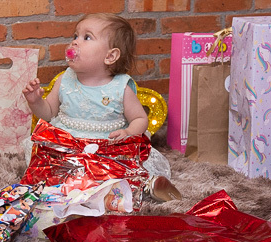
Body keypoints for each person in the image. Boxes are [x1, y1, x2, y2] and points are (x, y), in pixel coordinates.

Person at [23, 13, 180, 202]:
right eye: (75, 36)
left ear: (110, 56)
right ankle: (76, 187)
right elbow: (48, 113)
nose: (74, 43)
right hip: (69, 145)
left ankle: (142, 186)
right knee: (50, 163)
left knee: (118, 170)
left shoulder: (120, 87)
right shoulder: (65, 79)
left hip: (105, 148)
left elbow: (140, 119)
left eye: (86, 37)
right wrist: (35, 101)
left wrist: (129, 132)